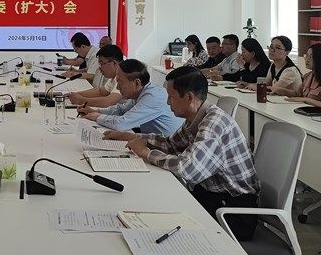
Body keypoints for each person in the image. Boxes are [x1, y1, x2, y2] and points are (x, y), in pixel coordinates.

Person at [107, 66, 259, 241]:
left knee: (159, 224)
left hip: (234, 212)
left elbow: (188, 169)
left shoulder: (213, 124)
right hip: (212, 197)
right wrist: (133, 136)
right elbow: (171, 144)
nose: (167, 102)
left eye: (171, 97)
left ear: (189, 97)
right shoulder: (197, 117)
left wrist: (147, 153)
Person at [78, 59, 183, 136]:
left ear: (136, 83)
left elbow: (122, 124)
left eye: (120, 82)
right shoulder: (140, 91)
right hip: (151, 138)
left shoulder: (153, 97)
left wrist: (97, 116)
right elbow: (121, 110)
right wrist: (96, 111)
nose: (117, 87)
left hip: (166, 146)